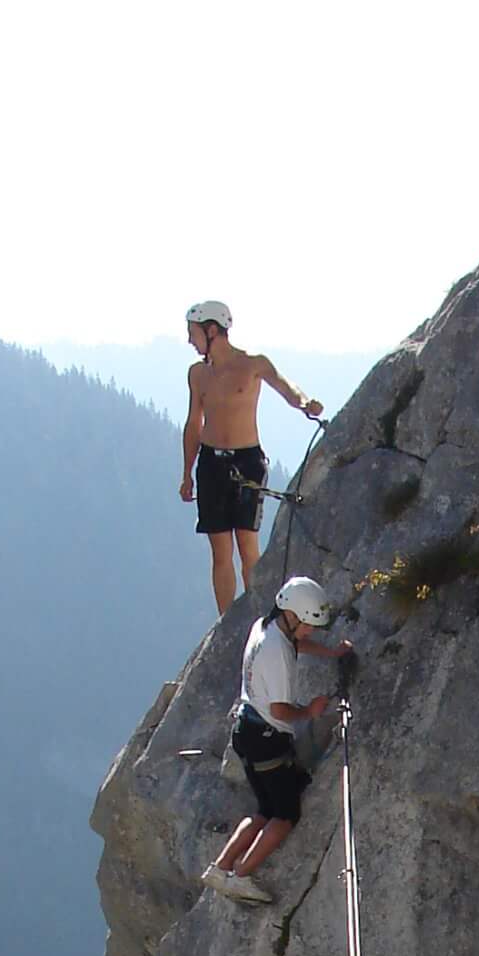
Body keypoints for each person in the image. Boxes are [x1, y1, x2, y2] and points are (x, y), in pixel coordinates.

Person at [205, 575, 353, 904]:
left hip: (245, 732)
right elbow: (281, 710)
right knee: (285, 816)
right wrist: (311, 711)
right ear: (293, 615)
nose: (310, 631)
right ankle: (240, 876)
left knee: (263, 810)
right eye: (308, 624)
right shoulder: (278, 655)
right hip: (268, 737)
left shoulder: (265, 627)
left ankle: (220, 867)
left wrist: (330, 653)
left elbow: (297, 642)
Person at [181, 300, 324, 617]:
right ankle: (227, 621)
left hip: (247, 462)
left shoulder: (253, 364)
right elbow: (194, 423)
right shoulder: (198, 375)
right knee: (220, 550)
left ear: (212, 330)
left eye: (193, 333)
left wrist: (304, 403)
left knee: (247, 546)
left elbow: (285, 385)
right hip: (211, 462)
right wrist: (186, 473)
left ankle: (259, 615)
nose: (190, 340)